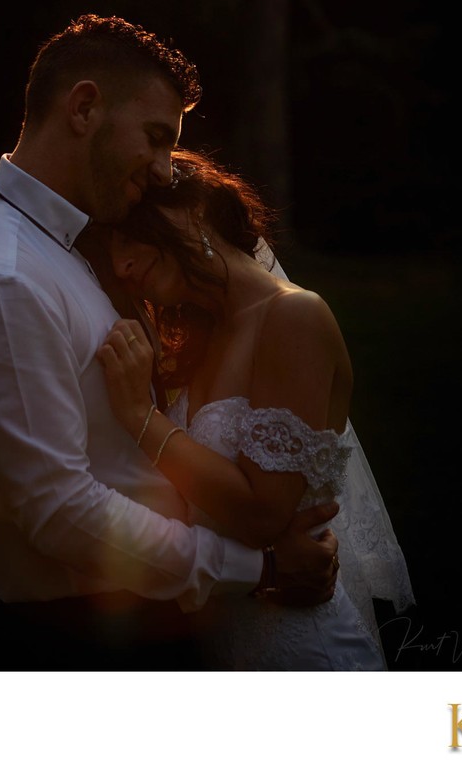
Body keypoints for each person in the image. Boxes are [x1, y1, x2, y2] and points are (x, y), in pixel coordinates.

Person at [0, 13, 341, 672]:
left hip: (158, 625)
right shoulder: (3, 280)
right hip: (83, 646)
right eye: (154, 137)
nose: (164, 168)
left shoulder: (77, 247)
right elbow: (59, 509)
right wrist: (255, 564)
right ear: (83, 107)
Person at [97, 147, 415, 670]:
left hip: (299, 644)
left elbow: (265, 512)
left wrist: (140, 420)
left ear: (193, 210)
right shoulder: (203, 336)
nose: (120, 264)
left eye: (130, 235)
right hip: (230, 635)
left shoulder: (293, 316)